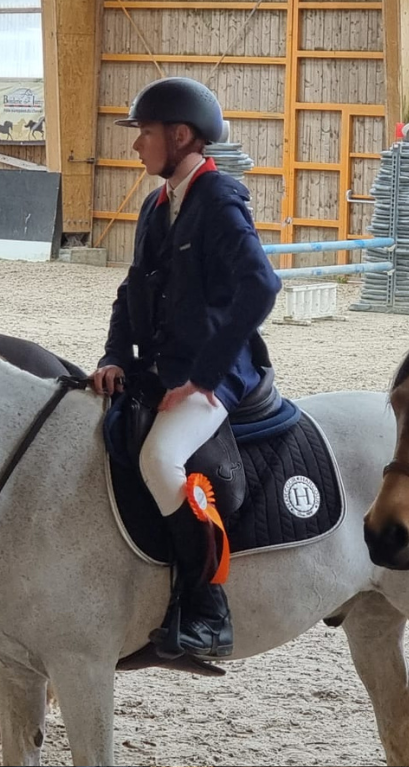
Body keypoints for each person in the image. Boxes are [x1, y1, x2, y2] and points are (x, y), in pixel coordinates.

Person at [91, 77, 279, 661]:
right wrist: (115, 356)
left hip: (216, 376)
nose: (135, 145)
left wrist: (202, 375)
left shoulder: (219, 199)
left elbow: (261, 287)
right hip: (158, 367)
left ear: (180, 135)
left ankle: (207, 609)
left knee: (159, 457)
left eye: (144, 134)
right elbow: (131, 292)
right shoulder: (156, 203)